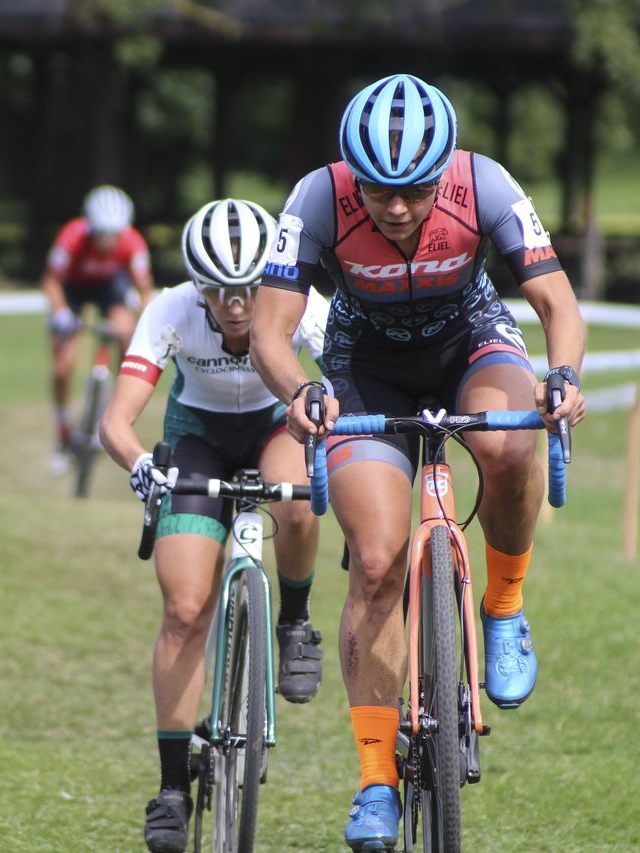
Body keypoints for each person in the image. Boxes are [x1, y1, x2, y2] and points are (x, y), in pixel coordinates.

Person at [249, 73, 587, 851]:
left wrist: (564, 375)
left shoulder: (486, 184)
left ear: (444, 173)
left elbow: (557, 305)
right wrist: (299, 389)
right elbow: (271, 330)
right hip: (363, 364)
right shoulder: (313, 199)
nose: (396, 208)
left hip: (470, 339)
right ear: (350, 175)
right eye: (377, 190)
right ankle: (375, 778)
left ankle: (503, 607)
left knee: (509, 442)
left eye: (415, 190)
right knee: (374, 560)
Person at [99, 198, 331, 853]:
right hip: (195, 441)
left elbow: (349, 379)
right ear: (196, 286)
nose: (235, 304)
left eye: (249, 289)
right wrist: (141, 464)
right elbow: (116, 420)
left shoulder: (301, 301)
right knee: (184, 608)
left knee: (298, 496)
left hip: (272, 427)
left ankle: (294, 620)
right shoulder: (169, 309)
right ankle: (173, 787)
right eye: (219, 291)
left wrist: (341, 439)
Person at [42, 184, 156, 470]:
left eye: (113, 234)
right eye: (101, 234)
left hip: (110, 287)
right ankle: (62, 430)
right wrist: (60, 313)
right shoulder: (71, 237)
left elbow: (145, 290)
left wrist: (147, 319)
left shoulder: (133, 242)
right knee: (62, 366)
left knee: (127, 336)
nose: (107, 240)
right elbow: (51, 280)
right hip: (73, 289)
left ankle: (118, 408)